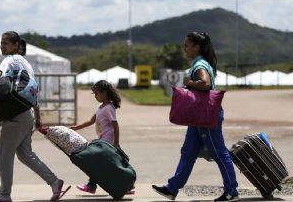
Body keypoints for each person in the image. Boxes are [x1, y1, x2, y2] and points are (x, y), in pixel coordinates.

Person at [0, 31, 69, 202]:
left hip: (16, 115)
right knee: (25, 154)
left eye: (5, 43)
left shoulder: (9, 60)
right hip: (28, 114)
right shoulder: (26, 64)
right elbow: (32, 91)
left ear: (16, 45)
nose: (1, 46)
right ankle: (54, 182)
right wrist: (37, 117)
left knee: (2, 156)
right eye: (1, 43)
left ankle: (4, 195)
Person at [152, 32, 239, 202]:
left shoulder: (199, 64)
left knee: (219, 153)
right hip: (198, 117)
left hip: (205, 116)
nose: (184, 48)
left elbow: (205, 84)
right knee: (188, 152)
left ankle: (232, 191)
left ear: (196, 47)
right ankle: (172, 188)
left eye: (187, 45)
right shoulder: (199, 63)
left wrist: (189, 83)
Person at [70, 80, 134, 195]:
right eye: (94, 94)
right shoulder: (100, 107)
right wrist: (76, 127)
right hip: (103, 139)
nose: (95, 96)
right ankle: (128, 186)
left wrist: (116, 142)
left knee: (96, 162)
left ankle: (91, 185)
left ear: (104, 92)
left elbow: (115, 124)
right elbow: (91, 121)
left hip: (108, 140)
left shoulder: (109, 107)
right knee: (111, 164)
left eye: (97, 93)